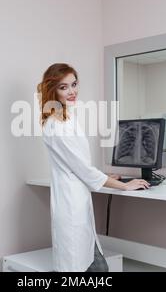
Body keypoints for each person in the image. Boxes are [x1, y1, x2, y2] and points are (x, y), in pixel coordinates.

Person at [37, 63, 150, 272]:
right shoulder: (57, 124)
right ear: (53, 90)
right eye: (64, 87)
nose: (72, 91)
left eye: (74, 84)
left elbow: (78, 164)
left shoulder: (66, 117)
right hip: (71, 204)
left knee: (93, 265)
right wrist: (124, 186)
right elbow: (83, 170)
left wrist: (105, 176)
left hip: (78, 199)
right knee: (88, 267)